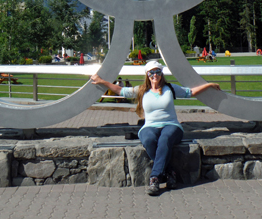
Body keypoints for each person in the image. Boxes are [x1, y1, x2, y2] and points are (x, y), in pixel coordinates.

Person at [90, 60, 221, 196]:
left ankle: (155, 178)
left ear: (161, 73)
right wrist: (102, 81)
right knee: (148, 140)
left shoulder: (170, 88)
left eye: (157, 72)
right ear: (147, 74)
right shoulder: (142, 90)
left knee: (165, 139)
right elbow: (121, 90)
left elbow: (190, 92)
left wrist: (209, 85)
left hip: (171, 126)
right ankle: (169, 172)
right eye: (151, 72)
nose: (154, 75)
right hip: (150, 126)